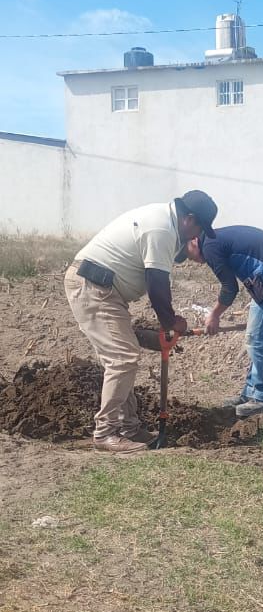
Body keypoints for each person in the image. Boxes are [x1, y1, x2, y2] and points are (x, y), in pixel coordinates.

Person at [65, 190, 218, 453]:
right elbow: (157, 284)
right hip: (93, 287)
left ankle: (129, 428)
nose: (196, 237)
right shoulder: (161, 229)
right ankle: (106, 433)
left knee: (122, 357)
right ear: (188, 218)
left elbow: (175, 258)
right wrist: (171, 322)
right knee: (123, 357)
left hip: (104, 290)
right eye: (198, 229)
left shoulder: (164, 221)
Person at [178, 226, 263, 417]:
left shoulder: (209, 245)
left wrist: (214, 315)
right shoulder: (214, 239)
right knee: (257, 338)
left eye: (186, 252)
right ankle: (252, 393)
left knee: (258, 340)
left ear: (193, 240)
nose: (190, 259)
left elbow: (230, 288)